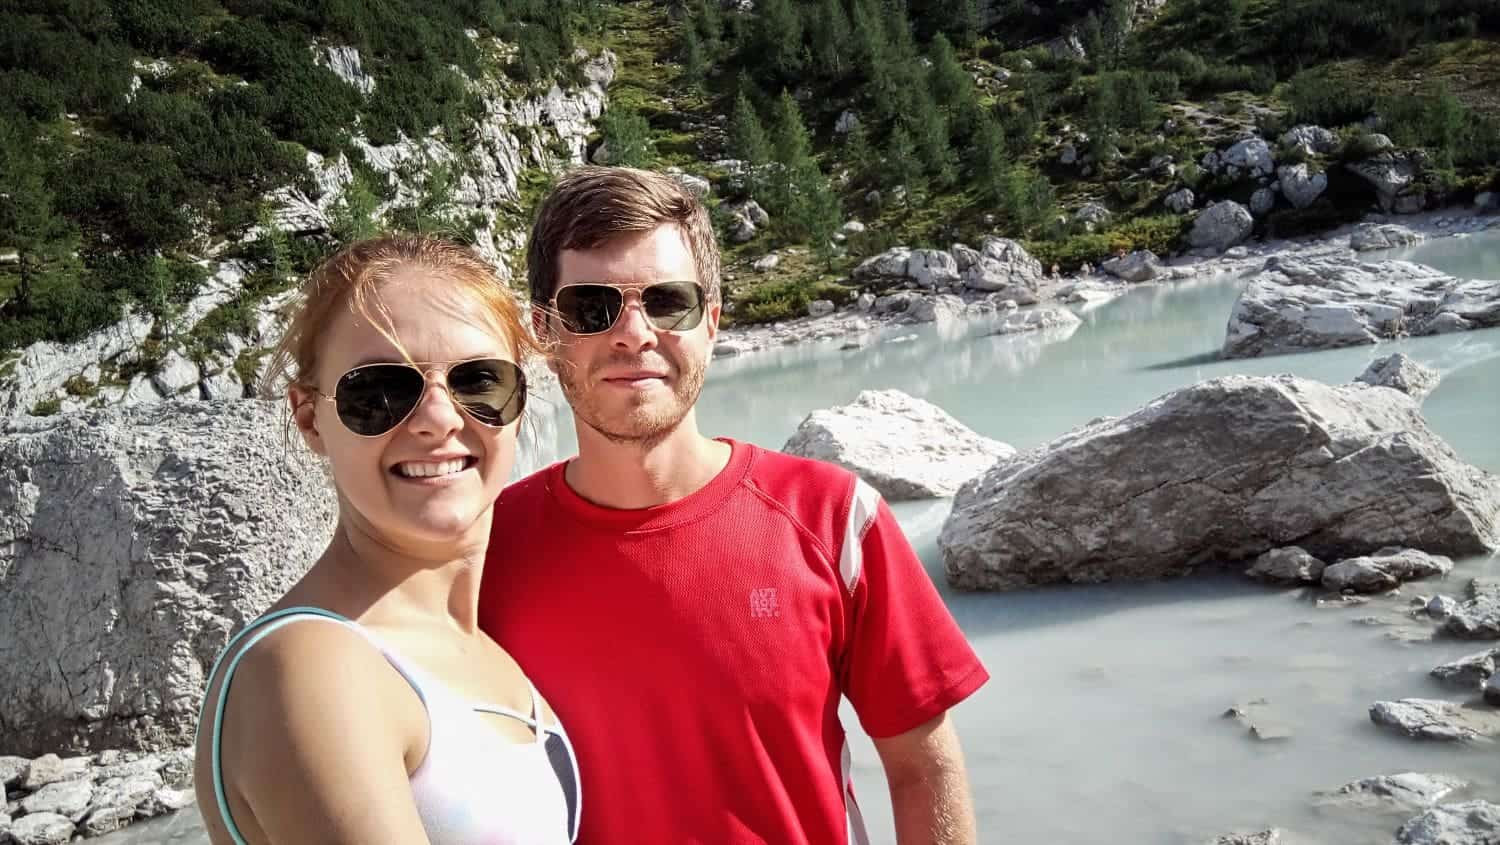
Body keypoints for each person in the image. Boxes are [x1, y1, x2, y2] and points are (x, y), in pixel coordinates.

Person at [479, 167, 988, 844]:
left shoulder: (836, 519)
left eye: (667, 301)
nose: (634, 333)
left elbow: (924, 769)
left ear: (712, 322)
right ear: (547, 333)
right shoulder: (486, 550)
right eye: (592, 307)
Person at [193, 235, 580, 844]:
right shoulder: (316, 667)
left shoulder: (475, 642)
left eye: (479, 382)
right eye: (379, 393)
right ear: (309, 418)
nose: (439, 418)